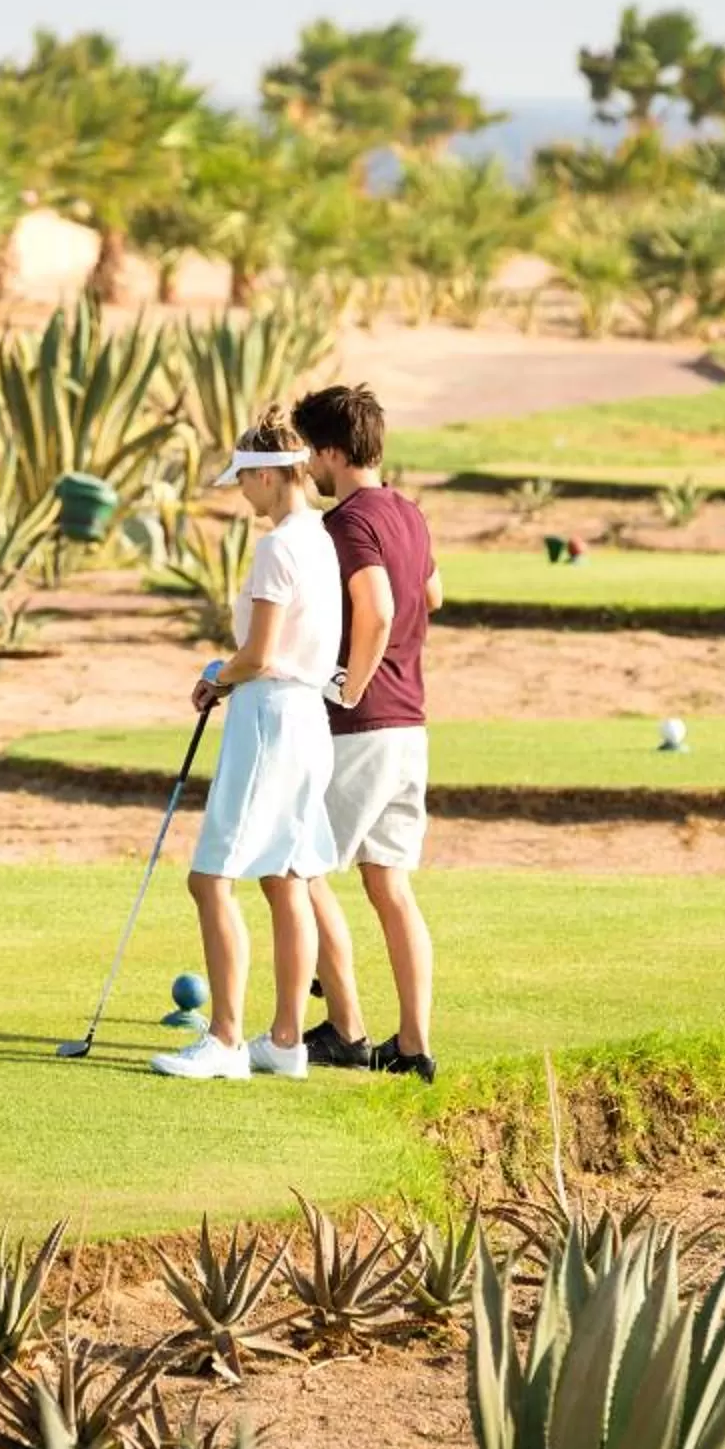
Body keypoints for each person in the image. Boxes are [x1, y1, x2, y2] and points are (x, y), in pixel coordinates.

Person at [151, 408, 343, 1081]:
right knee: (287, 877)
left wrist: (215, 678)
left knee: (209, 879)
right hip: (307, 718)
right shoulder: (320, 539)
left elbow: (259, 653)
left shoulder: (278, 546)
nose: (240, 493)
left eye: (243, 480)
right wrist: (232, 676)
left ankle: (226, 1040)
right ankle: (286, 1042)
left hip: (268, 719)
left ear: (268, 476)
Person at [293, 383, 443, 1083]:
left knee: (301, 867)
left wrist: (349, 684)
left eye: (309, 453)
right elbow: (432, 594)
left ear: (331, 451)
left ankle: (346, 1029)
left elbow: (377, 608)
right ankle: (412, 1047)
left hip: (362, 725)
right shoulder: (408, 512)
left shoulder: (348, 523)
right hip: (410, 724)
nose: (307, 470)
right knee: (390, 885)